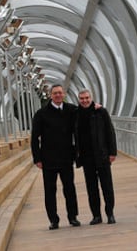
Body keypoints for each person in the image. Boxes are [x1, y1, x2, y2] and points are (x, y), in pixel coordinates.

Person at [31, 84, 81, 230]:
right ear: (50, 95)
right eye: (55, 93)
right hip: (48, 159)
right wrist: (37, 158)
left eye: (60, 93)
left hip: (66, 157)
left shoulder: (72, 110)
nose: (58, 95)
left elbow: (85, 113)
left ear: (63, 94)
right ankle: (53, 220)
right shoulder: (41, 114)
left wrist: (97, 107)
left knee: (69, 188)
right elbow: (34, 138)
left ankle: (73, 217)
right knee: (50, 190)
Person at [75, 88, 117, 225]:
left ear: (91, 98)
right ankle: (96, 216)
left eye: (87, 98)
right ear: (78, 100)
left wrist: (112, 152)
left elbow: (110, 132)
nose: (85, 100)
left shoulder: (101, 112)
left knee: (107, 187)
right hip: (87, 158)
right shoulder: (76, 114)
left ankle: (110, 214)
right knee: (91, 188)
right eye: (82, 98)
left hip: (102, 155)